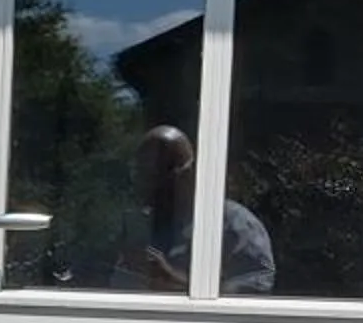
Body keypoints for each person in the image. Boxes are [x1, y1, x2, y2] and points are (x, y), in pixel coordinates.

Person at [116, 123, 275, 296]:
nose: (145, 184)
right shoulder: (140, 224)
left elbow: (254, 291)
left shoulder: (235, 224)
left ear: (188, 174)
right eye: (140, 173)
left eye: (155, 175)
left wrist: (172, 279)